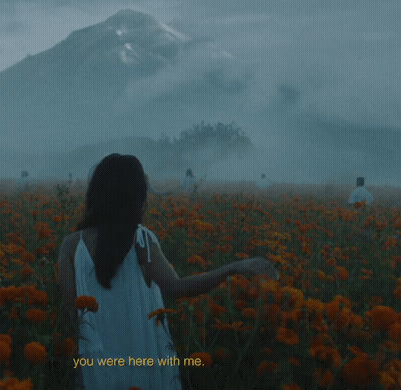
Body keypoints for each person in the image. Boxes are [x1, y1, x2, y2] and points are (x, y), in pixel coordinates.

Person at [57, 154, 278, 390]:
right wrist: (232, 268)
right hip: (142, 357)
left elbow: (71, 316)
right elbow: (176, 287)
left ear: (97, 193)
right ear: (136, 196)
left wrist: (77, 367)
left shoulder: (71, 245)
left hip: (97, 360)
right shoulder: (140, 240)